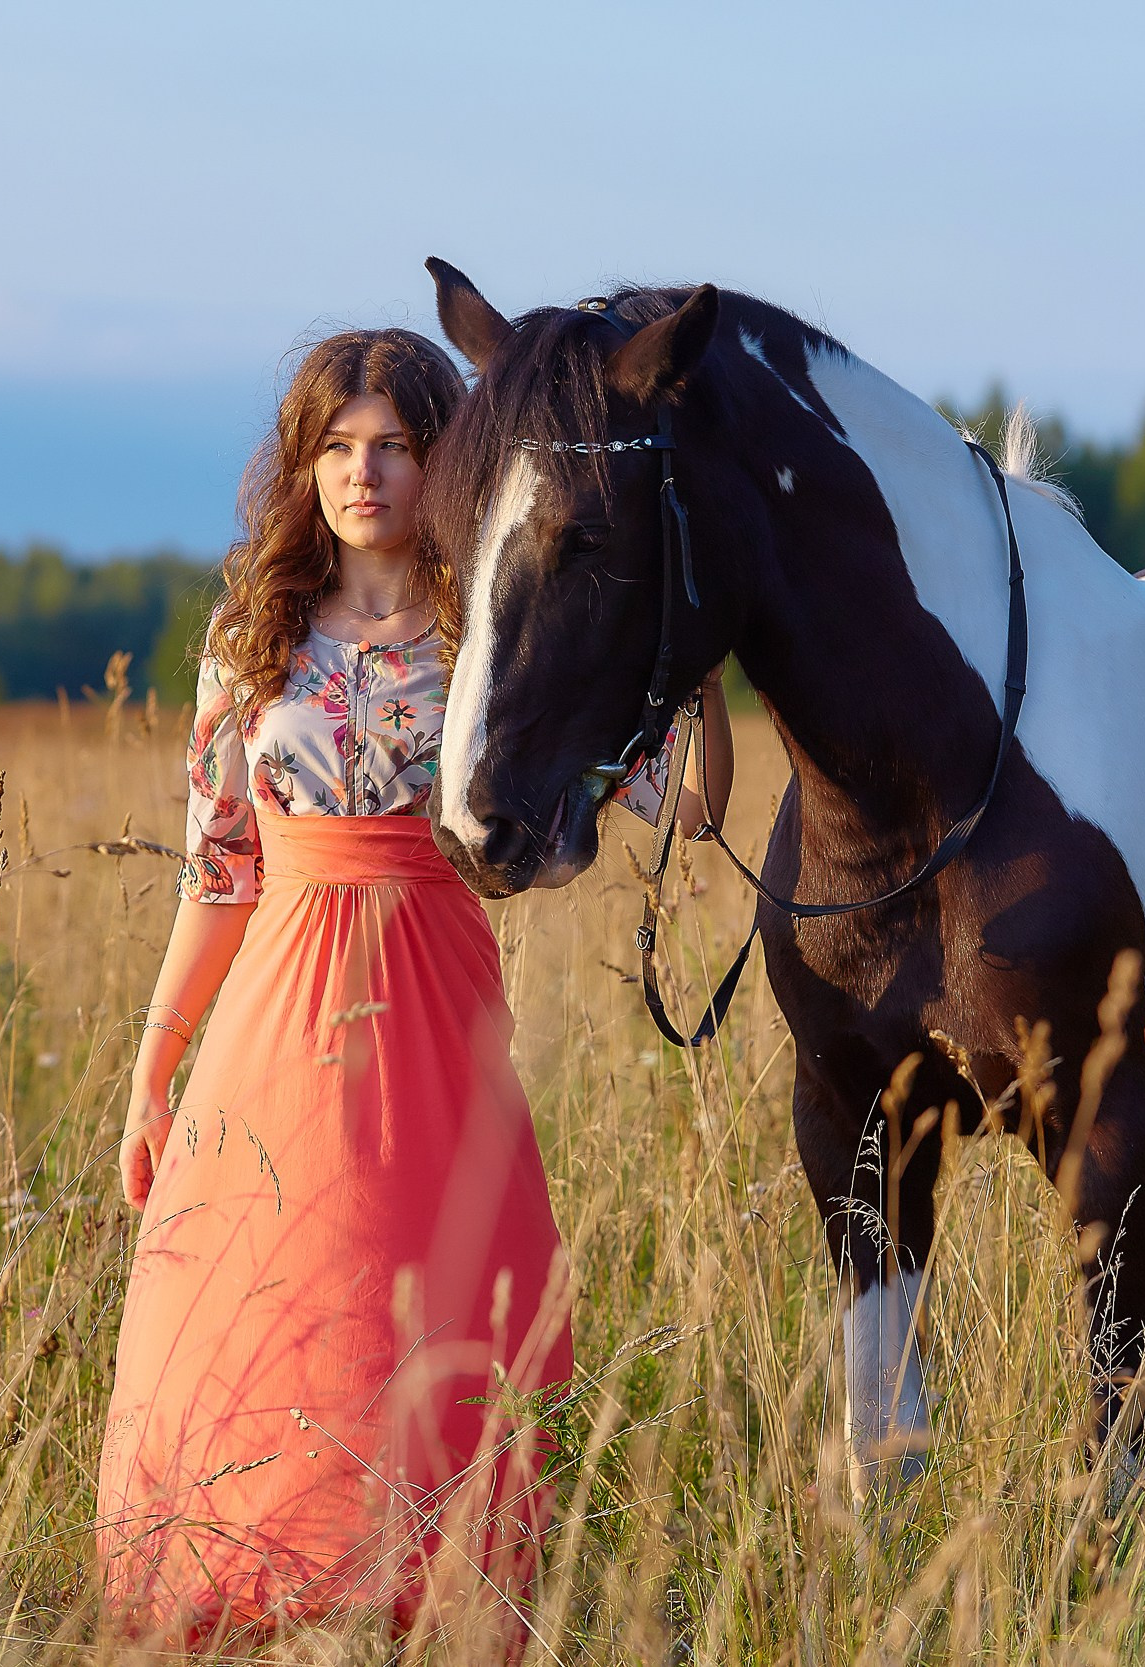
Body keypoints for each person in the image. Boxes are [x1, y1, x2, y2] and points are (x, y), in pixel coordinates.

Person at [95, 325, 730, 1646]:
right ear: (303, 466)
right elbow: (216, 876)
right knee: (271, 1306)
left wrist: (694, 655)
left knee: (427, 1306)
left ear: (450, 462)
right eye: (337, 448)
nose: (364, 473)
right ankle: (259, 1598)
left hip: (439, 1020)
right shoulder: (249, 642)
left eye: (395, 445)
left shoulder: (492, 632)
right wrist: (153, 1069)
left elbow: (687, 806)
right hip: (271, 1024)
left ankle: (433, 1596)